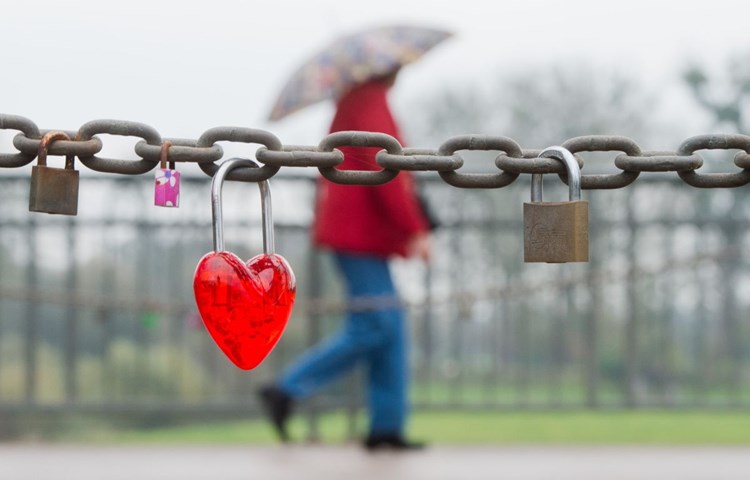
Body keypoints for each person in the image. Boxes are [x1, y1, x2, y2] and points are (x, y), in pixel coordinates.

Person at [258, 70, 433, 451]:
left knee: (389, 328)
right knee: (379, 323)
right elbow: (387, 169)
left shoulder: (354, 99)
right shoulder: (369, 99)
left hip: (358, 231)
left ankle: (386, 427)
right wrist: (415, 228)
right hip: (360, 232)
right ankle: (286, 387)